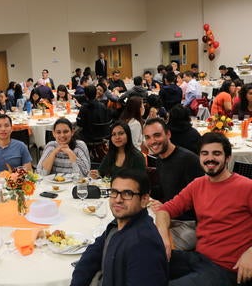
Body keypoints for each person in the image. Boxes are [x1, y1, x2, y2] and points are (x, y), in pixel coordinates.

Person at [155, 132, 252, 286]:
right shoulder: (197, 185)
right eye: (204, 153)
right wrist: (164, 237)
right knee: (145, 259)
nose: (210, 158)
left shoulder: (246, 187)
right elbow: (164, 210)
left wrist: (251, 252)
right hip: (199, 259)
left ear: (228, 158)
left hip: (226, 269)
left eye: (217, 153)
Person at [71, 168, 168, 286]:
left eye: (127, 194)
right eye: (114, 192)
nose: (118, 199)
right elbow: (93, 253)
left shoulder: (143, 245)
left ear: (144, 200)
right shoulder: (118, 224)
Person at [143, 118, 204, 251]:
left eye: (157, 135)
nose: (152, 141)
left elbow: (201, 204)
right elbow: (166, 189)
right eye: (147, 137)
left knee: (147, 246)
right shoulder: (161, 159)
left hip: (190, 226)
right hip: (169, 218)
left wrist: (167, 207)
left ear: (168, 134)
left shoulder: (189, 161)